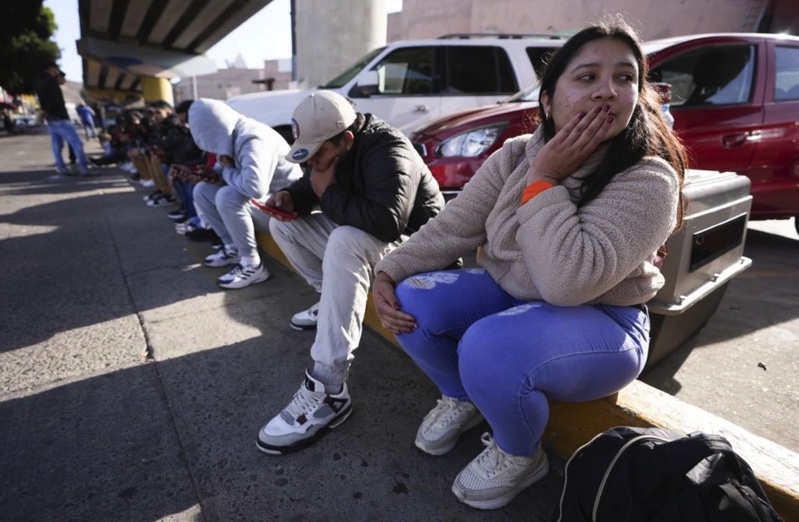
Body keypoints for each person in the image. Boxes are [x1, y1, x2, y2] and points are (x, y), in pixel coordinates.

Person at [372, 18, 687, 510]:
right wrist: (389, 270)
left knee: (489, 347)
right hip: (515, 293)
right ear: (547, 100)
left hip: (603, 319)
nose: (607, 91)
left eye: (624, 77)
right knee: (413, 298)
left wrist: (544, 181)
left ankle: (519, 453)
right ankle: (463, 396)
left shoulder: (648, 178)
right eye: (587, 77)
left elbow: (567, 283)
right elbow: (455, 225)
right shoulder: (515, 154)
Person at [255, 90, 445, 454]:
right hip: (377, 243)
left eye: (318, 154)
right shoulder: (334, 149)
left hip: (422, 252)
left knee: (344, 239)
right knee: (284, 226)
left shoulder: (389, 148)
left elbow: (387, 222)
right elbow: (314, 183)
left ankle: (329, 388)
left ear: (345, 138)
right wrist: (291, 197)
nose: (313, 162)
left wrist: (327, 194)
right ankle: (330, 301)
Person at [189, 98, 303, 289]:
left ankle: (252, 264)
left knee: (227, 196)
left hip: (288, 210)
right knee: (202, 190)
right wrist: (213, 174)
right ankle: (233, 248)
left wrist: (225, 171)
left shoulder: (252, 138)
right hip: (268, 204)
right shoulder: (230, 134)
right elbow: (228, 169)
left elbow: (254, 187)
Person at [35, 63, 89, 176]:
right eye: (56, 70)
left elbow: (44, 101)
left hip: (51, 119)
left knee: (57, 145)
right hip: (60, 117)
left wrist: (45, 112)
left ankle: (61, 168)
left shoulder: (39, 82)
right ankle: (84, 168)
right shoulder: (51, 83)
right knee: (77, 143)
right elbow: (54, 100)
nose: (57, 73)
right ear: (51, 69)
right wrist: (49, 110)